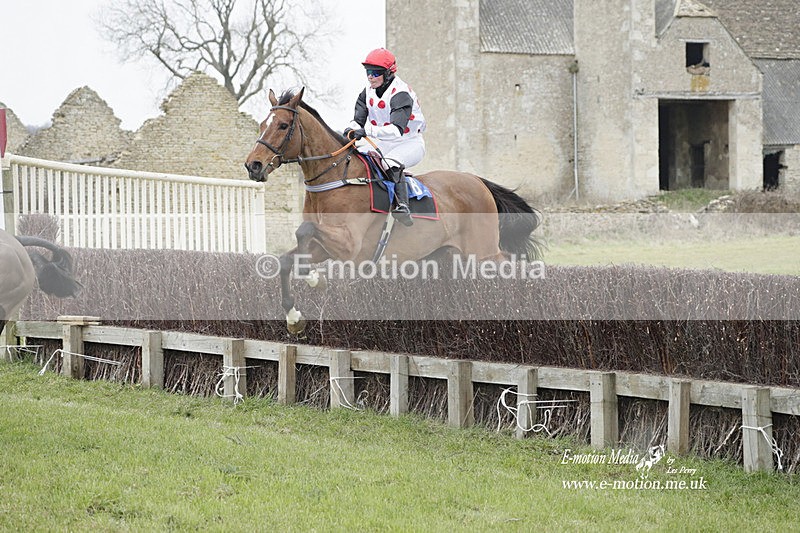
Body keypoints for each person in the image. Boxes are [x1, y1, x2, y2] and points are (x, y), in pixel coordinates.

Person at [344, 48, 426, 226]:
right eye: (368, 72)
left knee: (390, 162)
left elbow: (396, 130)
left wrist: (367, 131)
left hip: (409, 142)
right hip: (383, 141)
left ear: (388, 74)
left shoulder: (401, 94)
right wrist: (349, 130)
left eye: (375, 73)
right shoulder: (367, 91)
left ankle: (403, 206)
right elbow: (358, 121)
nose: (370, 77)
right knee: (356, 155)